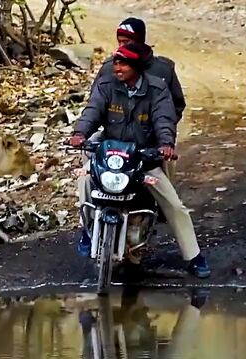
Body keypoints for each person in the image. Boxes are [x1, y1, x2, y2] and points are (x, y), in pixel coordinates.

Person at [69, 42, 210, 279]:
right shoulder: (106, 85)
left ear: (137, 66)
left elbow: (164, 119)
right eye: (116, 62)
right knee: (84, 179)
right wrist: (80, 133)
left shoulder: (157, 89)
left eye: (123, 63)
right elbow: (92, 111)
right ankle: (88, 230)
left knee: (174, 205)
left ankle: (194, 256)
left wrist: (165, 145)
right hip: (110, 155)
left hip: (143, 158)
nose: (117, 67)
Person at [93, 17, 186, 180]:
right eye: (119, 42)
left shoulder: (162, 71)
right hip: (114, 142)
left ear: (139, 42)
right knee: (89, 170)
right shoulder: (109, 69)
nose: (122, 46)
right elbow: (94, 106)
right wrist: (81, 133)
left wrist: (158, 132)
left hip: (152, 143)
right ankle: (86, 205)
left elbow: (174, 108)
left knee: (166, 177)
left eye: (127, 41)